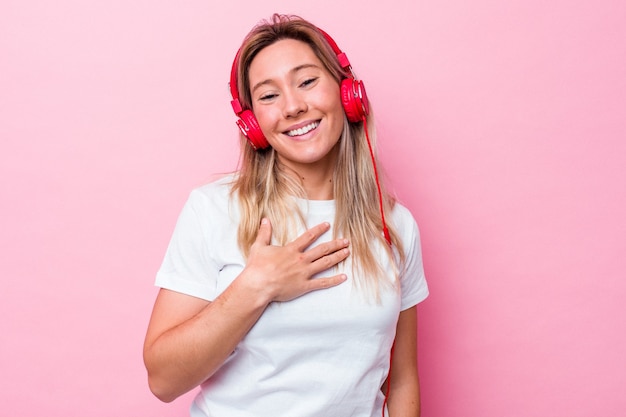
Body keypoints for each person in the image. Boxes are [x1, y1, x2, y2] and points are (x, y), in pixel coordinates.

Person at [143, 13, 429, 417]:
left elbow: (401, 380)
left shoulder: (395, 225)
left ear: (348, 93)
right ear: (252, 123)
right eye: (268, 95)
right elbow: (163, 380)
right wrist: (255, 287)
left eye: (307, 81)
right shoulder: (214, 209)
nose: (293, 106)